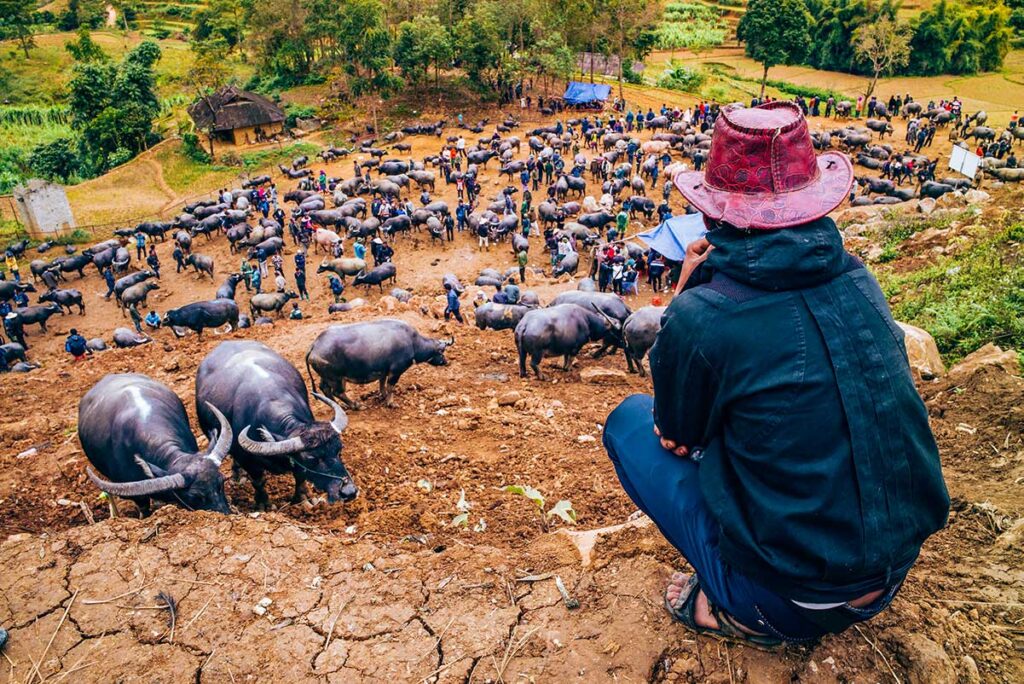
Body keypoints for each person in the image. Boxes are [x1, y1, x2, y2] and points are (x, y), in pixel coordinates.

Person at [602, 102, 949, 648]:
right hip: (891, 573)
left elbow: (675, 432)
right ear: (814, 207)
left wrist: (686, 297)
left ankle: (732, 607)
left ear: (713, 214)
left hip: (793, 599)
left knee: (627, 422)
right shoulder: (860, 279)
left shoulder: (705, 314)